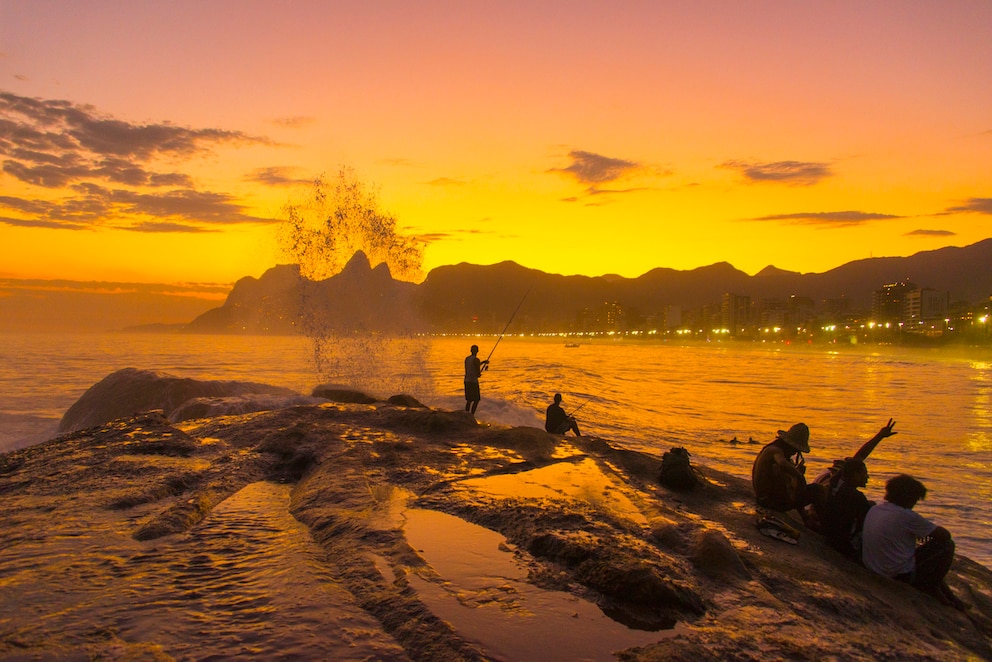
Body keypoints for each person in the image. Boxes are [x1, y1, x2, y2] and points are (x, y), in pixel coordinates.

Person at [861, 474, 966, 610]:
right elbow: (945, 535)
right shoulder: (906, 516)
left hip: (873, 566)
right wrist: (923, 532)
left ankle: (950, 596)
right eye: (915, 499)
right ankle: (931, 587)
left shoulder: (876, 509)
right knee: (946, 545)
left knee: (929, 549)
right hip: (897, 574)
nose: (915, 503)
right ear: (908, 497)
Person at [811, 419, 898, 557]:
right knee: (871, 509)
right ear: (855, 474)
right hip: (842, 542)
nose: (867, 478)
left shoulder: (836, 481)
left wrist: (879, 437)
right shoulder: (855, 496)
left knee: (870, 506)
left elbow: (859, 457)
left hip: (829, 529)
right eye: (865, 474)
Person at [752, 422, 811, 517]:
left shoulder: (776, 451)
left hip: (769, 500)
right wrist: (798, 474)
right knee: (817, 490)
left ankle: (807, 520)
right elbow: (782, 463)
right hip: (769, 501)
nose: (795, 452)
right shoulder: (775, 450)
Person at [463, 345, 488, 415]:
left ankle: (466, 415)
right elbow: (478, 374)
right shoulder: (476, 360)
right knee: (476, 400)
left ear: (470, 350)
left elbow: (473, 365)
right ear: (477, 351)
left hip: (466, 380)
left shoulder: (467, 359)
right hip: (473, 382)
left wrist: (483, 362)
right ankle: (471, 415)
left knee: (469, 400)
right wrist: (479, 374)